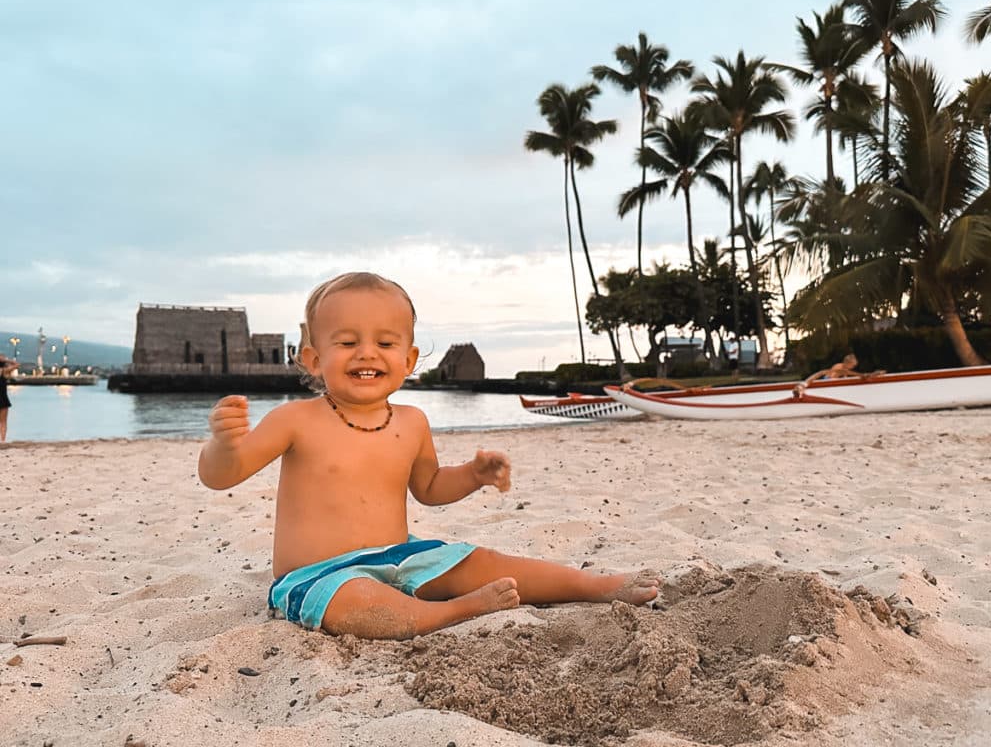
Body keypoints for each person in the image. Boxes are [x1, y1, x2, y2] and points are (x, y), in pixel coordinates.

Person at [198, 272, 659, 640]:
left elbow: (430, 488)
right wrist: (223, 447)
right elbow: (223, 476)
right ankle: (451, 612)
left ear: (409, 358)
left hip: (401, 557)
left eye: (384, 342)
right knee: (355, 602)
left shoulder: (412, 421)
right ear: (315, 359)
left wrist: (473, 475)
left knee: (482, 560)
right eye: (346, 342)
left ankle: (594, 586)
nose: (367, 353)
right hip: (318, 574)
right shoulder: (295, 419)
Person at [793, 353, 885, 397]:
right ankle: (802, 387)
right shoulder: (840, 368)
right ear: (848, 363)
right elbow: (833, 377)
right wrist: (870, 375)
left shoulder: (841, 367)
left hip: (827, 379)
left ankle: (802, 386)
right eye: (852, 366)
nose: (853, 367)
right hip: (827, 382)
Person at [0, 356, 17, 442]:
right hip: (3, 399)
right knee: (3, 422)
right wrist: (7, 359)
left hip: (3, 399)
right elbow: (17, 365)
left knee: (3, 422)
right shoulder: (4, 371)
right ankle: (3, 441)